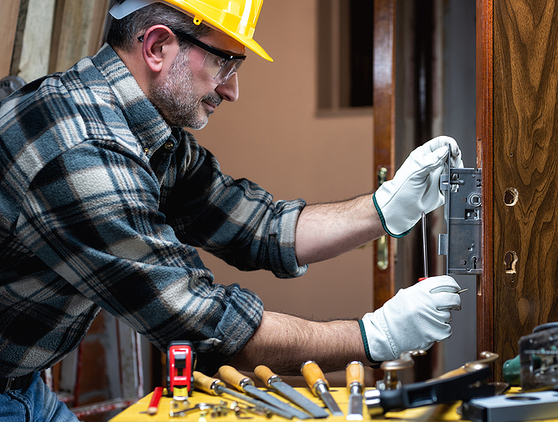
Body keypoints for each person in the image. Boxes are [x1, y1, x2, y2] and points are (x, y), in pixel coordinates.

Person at [0, 0, 464, 420]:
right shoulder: (82, 153)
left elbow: (254, 226)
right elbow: (204, 327)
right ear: (158, 45)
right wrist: (373, 338)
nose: (232, 90)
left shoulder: (145, 133)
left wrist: (384, 209)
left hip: (24, 385)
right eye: (226, 62)